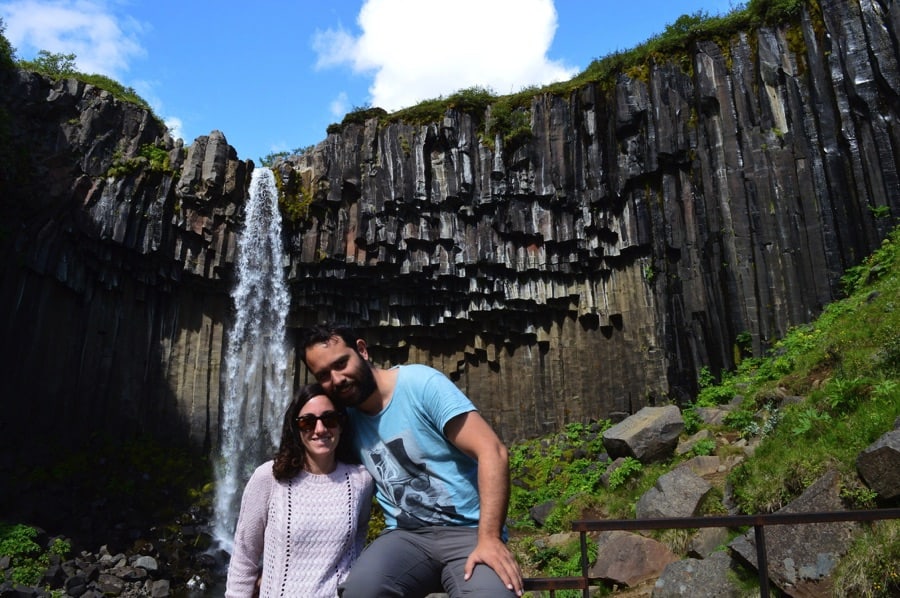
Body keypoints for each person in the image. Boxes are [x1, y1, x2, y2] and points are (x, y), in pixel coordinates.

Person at [300, 323, 524, 598]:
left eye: (341, 363)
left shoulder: (420, 384)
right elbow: (314, 470)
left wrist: (489, 538)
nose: (337, 379)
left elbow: (492, 451)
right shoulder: (342, 420)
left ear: (362, 350)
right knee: (361, 592)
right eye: (323, 375)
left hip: (469, 532)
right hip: (405, 538)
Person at [225, 383, 374, 598]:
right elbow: (245, 555)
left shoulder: (361, 480)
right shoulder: (269, 477)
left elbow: (359, 535)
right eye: (307, 422)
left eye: (329, 419)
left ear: (341, 424)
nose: (320, 429)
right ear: (296, 428)